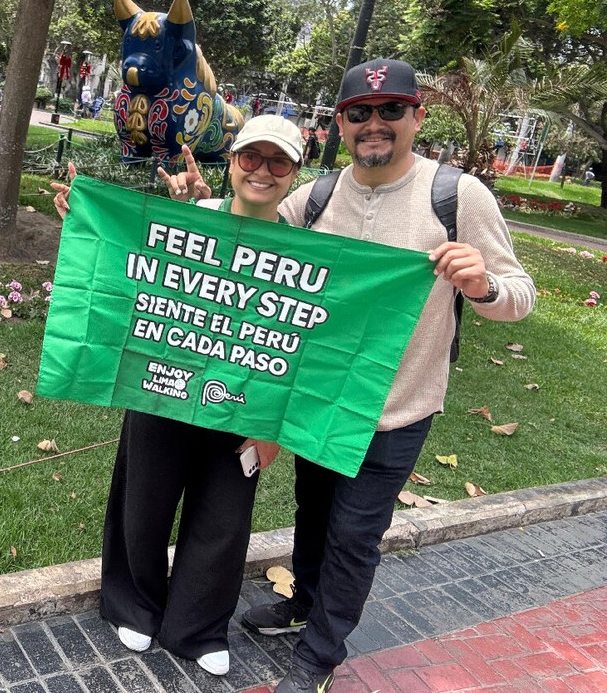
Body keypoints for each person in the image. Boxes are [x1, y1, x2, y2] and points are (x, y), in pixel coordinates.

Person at [239, 59, 535, 693]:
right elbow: (249, 244)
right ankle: (303, 606)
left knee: (354, 536)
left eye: (390, 110)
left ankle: (319, 655)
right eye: (359, 114)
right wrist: (174, 213)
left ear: (416, 117)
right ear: (341, 125)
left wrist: (481, 285)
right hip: (322, 401)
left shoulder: (457, 195)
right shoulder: (319, 195)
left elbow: (521, 294)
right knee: (314, 516)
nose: (374, 124)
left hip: (398, 409)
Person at [51, 115, 305, 677]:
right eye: (251, 157)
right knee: (143, 501)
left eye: (278, 161)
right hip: (161, 386)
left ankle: (198, 626)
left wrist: (273, 426)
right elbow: (126, 264)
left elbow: (306, 346)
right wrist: (86, 221)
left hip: (244, 404)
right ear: (232, 161)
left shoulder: (305, 251)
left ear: (294, 173)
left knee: (224, 517)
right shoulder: (189, 219)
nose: (262, 170)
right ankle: (132, 604)